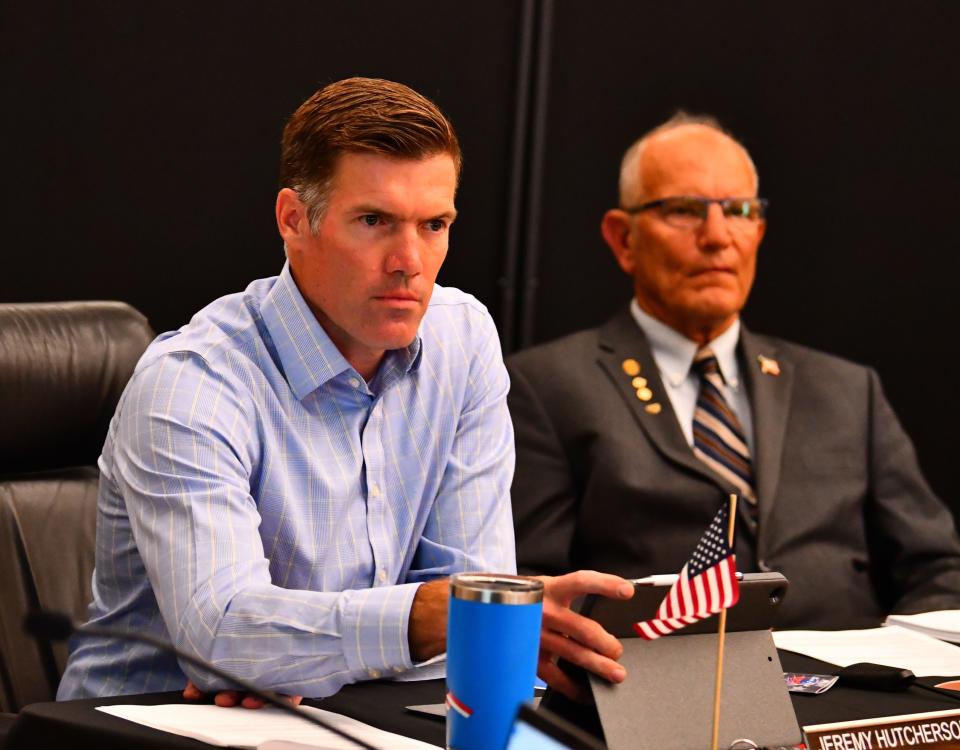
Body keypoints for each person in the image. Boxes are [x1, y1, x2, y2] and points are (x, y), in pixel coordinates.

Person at [58, 78, 632, 703]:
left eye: (434, 224)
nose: (409, 261)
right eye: (374, 221)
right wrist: (431, 619)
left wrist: (295, 654)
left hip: (344, 718)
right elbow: (222, 637)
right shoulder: (192, 384)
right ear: (292, 219)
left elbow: (468, 608)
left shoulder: (462, 339)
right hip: (141, 725)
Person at [507, 113, 960, 630]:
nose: (718, 237)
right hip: (658, 688)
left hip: (851, 693)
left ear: (759, 231)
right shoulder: (548, 386)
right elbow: (529, 585)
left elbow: (937, 570)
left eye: (740, 211)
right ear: (623, 239)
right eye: (683, 210)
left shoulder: (847, 390)